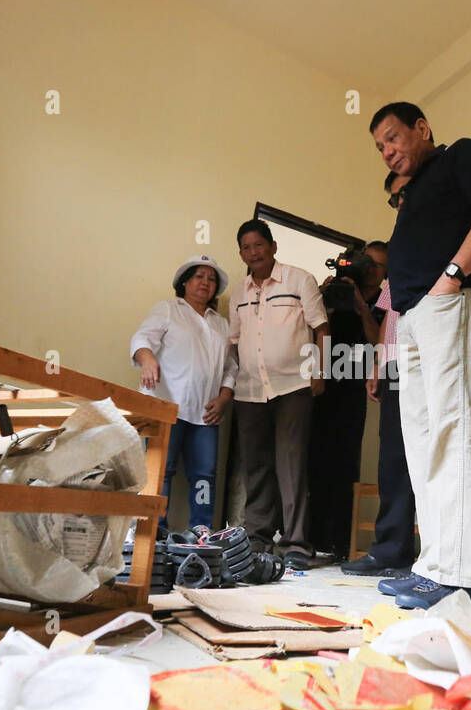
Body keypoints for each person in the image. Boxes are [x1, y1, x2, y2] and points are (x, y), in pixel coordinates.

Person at [366, 102, 471, 609]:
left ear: (421, 129)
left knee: (457, 429)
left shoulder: (461, 156)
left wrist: (451, 277)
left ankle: (461, 574)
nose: (387, 152)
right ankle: (434, 566)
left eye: (392, 138)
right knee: (422, 442)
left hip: (452, 302)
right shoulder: (412, 194)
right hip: (412, 318)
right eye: (380, 147)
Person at [229, 220, 330, 572]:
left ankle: (296, 542)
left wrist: (319, 371)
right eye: (246, 247)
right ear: (241, 253)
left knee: (291, 464)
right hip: (249, 390)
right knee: (255, 465)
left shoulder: (299, 279)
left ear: (273, 247)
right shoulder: (238, 293)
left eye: (259, 245)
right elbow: (234, 342)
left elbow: (322, 328)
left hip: (292, 386)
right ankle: (256, 537)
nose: (254, 252)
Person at [341, 174, 416, 578]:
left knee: (426, 458)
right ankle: (391, 551)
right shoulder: (401, 254)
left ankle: (432, 555)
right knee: (391, 460)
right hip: (394, 369)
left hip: (427, 363)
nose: (400, 205)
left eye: (403, 196)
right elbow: (389, 315)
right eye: (394, 201)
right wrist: (377, 366)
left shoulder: (435, 238)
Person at [129, 255, 236, 532]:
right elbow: (142, 339)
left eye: (211, 279)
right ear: (185, 282)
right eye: (199, 276)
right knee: (160, 472)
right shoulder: (168, 309)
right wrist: (148, 359)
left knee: (204, 477)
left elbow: (231, 367)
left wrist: (224, 398)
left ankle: (201, 531)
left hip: (206, 414)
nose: (205, 283)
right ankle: (153, 531)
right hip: (166, 407)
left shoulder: (221, 324)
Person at [308, 242, 387, 562]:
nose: (370, 268)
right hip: (321, 384)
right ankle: (310, 538)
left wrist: (359, 303)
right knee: (314, 462)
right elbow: (311, 327)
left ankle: (341, 542)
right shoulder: (336, 289)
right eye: (367, 261)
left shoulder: (387, 299)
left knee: (345, 465)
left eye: (378, 265)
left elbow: (377, 338)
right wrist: (318, 295)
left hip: (354, 388)